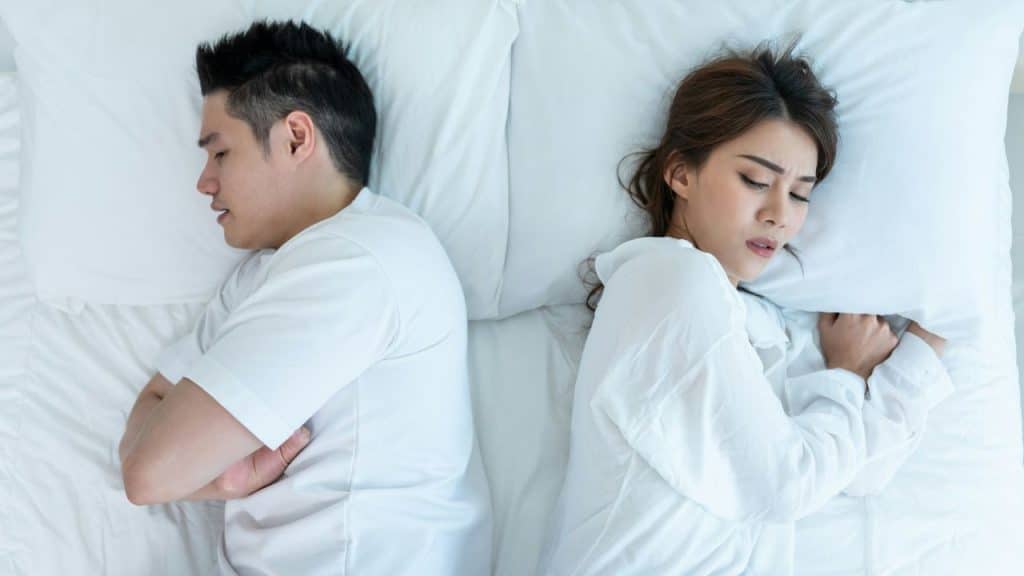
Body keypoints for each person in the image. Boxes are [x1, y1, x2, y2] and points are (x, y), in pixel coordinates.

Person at [540, 44, 952, 575]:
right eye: (756, 181)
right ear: (681, 175)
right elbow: (786, 485)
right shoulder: (669, 282)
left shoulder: (760, 322)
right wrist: (846, 376)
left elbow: (852, 472)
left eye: (800, 194)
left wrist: (920, 352)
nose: (780, 215)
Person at [117, 20, 491, 575]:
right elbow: (147, 427)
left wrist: (210, 476)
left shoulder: (360, 259)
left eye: (219, 153)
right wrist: (226, 480)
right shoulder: (262, 275)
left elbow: (150, 470)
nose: (204, 182)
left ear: (296, 136)